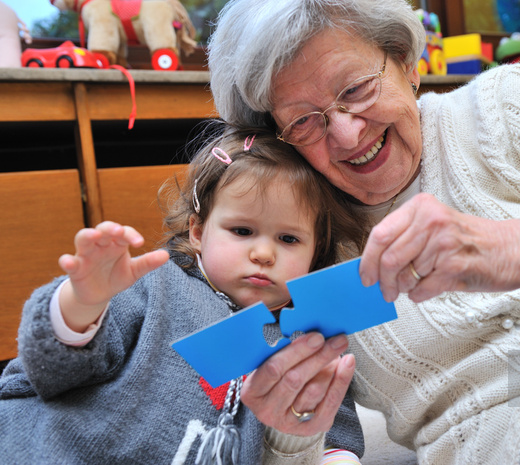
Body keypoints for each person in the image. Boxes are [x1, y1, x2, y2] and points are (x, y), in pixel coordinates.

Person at [206, 1, 520, 464]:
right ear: (279, 137)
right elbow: (293, 434)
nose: (348, 134)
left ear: (405, 62)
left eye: (355, 90)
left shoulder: (505, 108)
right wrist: (290, 430)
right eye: (305, 122)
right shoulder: (295, 246)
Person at [0, 125, 367, 465]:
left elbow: (335, 428)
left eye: (288, 239)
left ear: (315, 252)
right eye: (241, 230)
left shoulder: (312, 337)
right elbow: (52, 371)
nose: (263, 254)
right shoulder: (157, 286)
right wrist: (83, 302)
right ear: (197, 231)